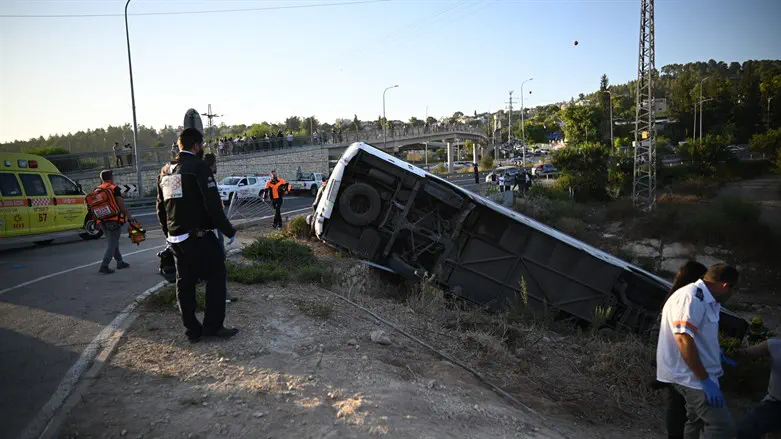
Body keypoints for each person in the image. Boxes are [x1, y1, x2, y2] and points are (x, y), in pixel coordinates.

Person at [157, 128, 238, 343]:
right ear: (196, 145)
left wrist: (169, 233)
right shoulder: (198, 167)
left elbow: (161, 208)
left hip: (176, 238)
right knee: (216, 275)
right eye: (201, 145)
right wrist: (228, 230)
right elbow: (212, 205)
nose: (202, 149)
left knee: (184, 283)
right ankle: (213, 327)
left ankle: (192, 330)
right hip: (198, 236)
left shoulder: (165, 171)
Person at [656, 264, 740, 439]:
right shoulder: (691, 298)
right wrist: (704, 380)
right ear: (725, 285)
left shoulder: (708, 301)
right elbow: (683, 339)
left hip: (700, 375)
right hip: (691, 378)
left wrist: (716, 354)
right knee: (722, 427)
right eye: (733, 289)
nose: (732, 295)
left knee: (694, 423)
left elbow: (700, 337)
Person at [655, 261, 708, 439]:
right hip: (681, 362)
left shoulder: (675, 297)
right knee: (681, 406)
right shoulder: (687, 300)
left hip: (672, 361)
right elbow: (684, 337)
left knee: (677, 404)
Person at [734, 338, 781, 438]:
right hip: (774, 403)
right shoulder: (775, 345)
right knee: (744, 431)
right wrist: (730, 350)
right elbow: (746, 353)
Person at [96, 170, 133, 274]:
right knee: (112, 245)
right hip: (113, 220)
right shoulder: (114, 188)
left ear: (102, 178)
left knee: (113, 242)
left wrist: (97, 222)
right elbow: (121, 205)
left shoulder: (97, 190)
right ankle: (104, 266)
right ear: (111, 178)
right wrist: (129, 216)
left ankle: (120, 262)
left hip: (102, 221)